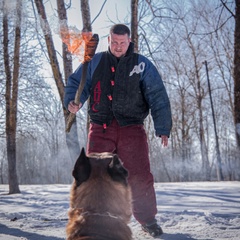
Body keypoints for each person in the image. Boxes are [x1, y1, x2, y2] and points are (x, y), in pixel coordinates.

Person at [64, 24, 172, 237]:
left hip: (131, 128)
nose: (118, 47)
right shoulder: (95, 61)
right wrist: (72, 102)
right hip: (100, 127)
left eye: (122, 43)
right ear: (109, 41)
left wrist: (163, 127)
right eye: (114, 42)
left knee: (139, 175)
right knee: (95, 175)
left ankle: (147, 219)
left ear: (129, 42)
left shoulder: (141, 64)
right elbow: (78, 83)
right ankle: (92, 217)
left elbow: (157, 94)